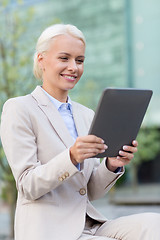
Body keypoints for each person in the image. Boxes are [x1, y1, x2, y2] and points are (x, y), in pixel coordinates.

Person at [0, 23, 160, 240]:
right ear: (41, 59)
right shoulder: (19, 108)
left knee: (154, 224)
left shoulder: (86, 115)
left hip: (91, 224)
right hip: (50, 230)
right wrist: (71, 157)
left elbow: (91, 191)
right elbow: (27, 185)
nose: (74, 67)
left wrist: (112, 165)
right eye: (64, 58)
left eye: (80, 60)